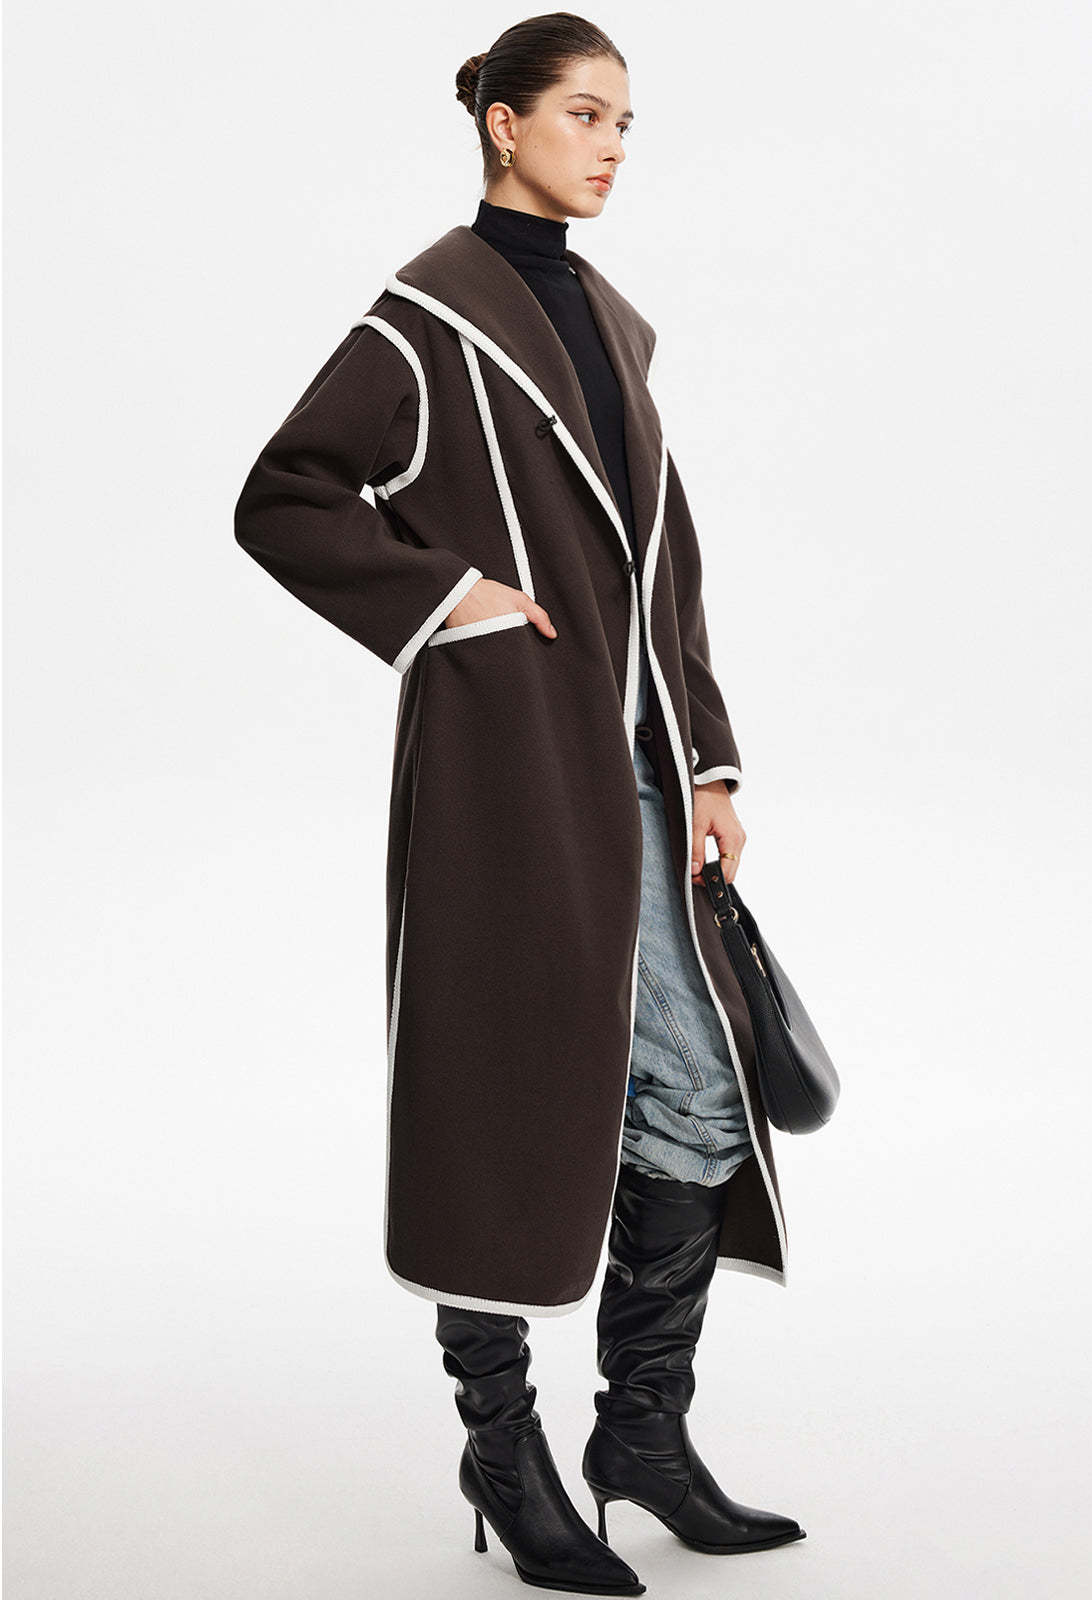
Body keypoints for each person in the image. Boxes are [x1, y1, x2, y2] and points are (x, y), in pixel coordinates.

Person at [234, 13, 803, 1594]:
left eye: (626, 121)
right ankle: (502, 1443)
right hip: (507, 774)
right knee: (496, 1092)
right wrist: (451, 600)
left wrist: (706, 759)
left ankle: (643, 1436)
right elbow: (283, 496)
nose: (612, 145)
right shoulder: (427, 316)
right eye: (583, 115)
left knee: (700, 1090)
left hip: (635, 767)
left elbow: (666, 558)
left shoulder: (613, 321)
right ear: (503, 123)